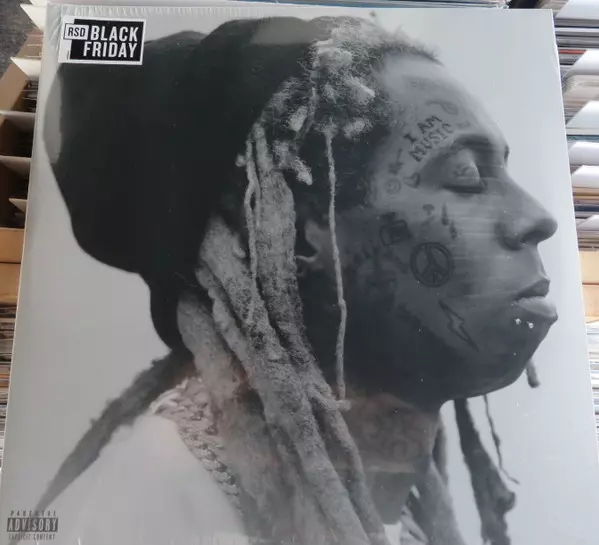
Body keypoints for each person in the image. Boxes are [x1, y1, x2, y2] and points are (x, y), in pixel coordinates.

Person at [35, 15, 557, 545]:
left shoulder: (400, 505)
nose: (538, 218)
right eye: (466, 173)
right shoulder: (154, 502)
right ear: (297, 232)